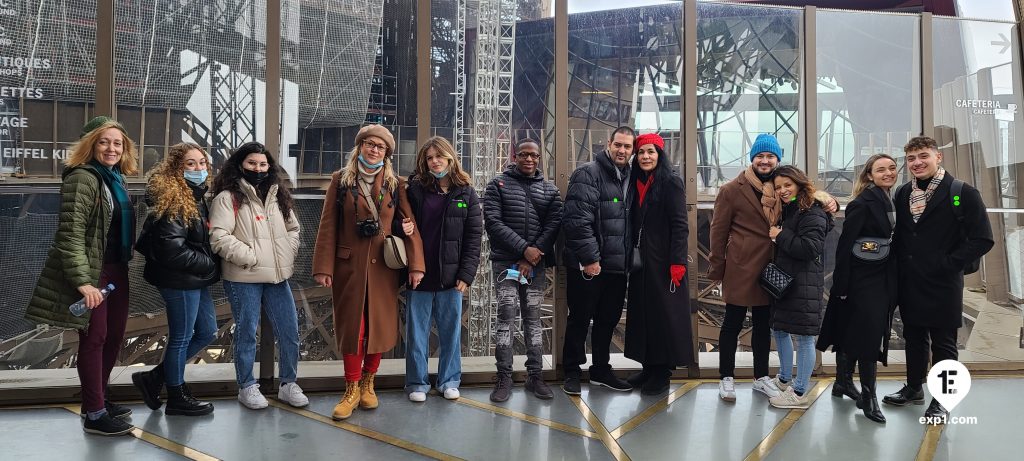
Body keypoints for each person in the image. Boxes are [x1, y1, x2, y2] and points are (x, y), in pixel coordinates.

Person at [25, 116, 138, 435]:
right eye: (104, 142)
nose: (111, 148)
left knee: (115, 335)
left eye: (117, 143)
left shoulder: (115, 178)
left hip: (116, 268)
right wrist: (83, 282)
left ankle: (97, 400)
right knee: (95, 337)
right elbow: (70, 234)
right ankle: (94, 413)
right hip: (93, 270)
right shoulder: (83, 178)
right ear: (90, 145)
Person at [709, 133, 837, 403]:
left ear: (777, 159)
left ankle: (760, 377)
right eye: (760, 156)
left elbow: (809, 204)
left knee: (763, 325)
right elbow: (717, 233)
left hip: (773, 270)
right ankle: (726, 378)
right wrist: (717, 270)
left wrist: (828, 202)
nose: (765, 161)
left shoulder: (780, 189)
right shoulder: (732, 189)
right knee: (731, 323)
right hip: (740, 267)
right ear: (752, 159)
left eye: (770, 156)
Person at [312, 125, 425, 420]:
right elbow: (328, 226)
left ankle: (368, 384)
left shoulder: (394, 184)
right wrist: (323, 267)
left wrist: (416, 265)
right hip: (348, 266)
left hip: (383, 269)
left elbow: (408, 224)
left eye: (381, 147)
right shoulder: (341, 180)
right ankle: (350, 389)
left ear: (387, 153)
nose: (374, 150)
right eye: (369, 144)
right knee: (354, 329)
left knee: (378, 326)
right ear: (360, 147)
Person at [883, 136, 993, 423]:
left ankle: (943, 399)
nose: (917, 163)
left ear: (937, 157)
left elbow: (983, 238)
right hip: (911, 279)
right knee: (913, 336)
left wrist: (948, 264)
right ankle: (914, 387)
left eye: (923, 156)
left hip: (944, 281)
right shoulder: (904, 192)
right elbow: (904, 236)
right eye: (911, 158)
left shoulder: (962, 192)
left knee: (944, 341)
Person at [209, 141, 308, 410]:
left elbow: (294, 230)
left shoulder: (278, 196)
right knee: (246, 332)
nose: (258, 168)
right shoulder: (228, 198)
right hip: (244, 278)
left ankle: (288, 383)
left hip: (278, 277)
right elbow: (219, 236)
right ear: (240, 165)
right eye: (252, 163)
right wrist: (251, 258)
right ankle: (247, 386)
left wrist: (286, 253)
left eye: (263, 164)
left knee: (289, 330)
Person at [131, 143, 219, 416]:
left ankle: (155, 378)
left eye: (202, 163)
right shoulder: (172, 199)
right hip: (179, 279)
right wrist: (209, 263)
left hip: (193, 278)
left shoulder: (193, 195)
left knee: (207, 331)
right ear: (176, 168)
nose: (198, 169)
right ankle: (177, 396)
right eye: (190, 164)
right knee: (181, 338)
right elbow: (172, 249)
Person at [817, 154, 899, 423]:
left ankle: (842, 381)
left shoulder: (890, 199)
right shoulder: (862, 203)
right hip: (863, 280)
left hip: (881, 276)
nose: (888, 173)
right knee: (868, 336)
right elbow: (845, 246)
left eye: (892, 168)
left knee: (855, 331)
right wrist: (841, 286)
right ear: (869, 176)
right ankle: (869, 396)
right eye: (881, 170)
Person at [483, 138, 563, 402]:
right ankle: (504, 377)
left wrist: (531, 257)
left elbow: (554, 224)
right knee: (505, 317)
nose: (529, 159)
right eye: (524, 155)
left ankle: (535, 376)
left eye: (534, 156)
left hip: (534, 265)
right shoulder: (498, 185)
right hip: (506, 263)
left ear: (540, 158)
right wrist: (524, 250)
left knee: (533, 319)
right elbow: (493, 222)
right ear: (514, 156)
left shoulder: (550, 191)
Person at [403, 136, 483, 402]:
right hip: (420, 274)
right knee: (417, 334)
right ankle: (417, 382)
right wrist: (401, 229)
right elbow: (398, 224)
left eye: (439, 156)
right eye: (429, 158)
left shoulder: (466, 192)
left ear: (450, 158)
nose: (435, 161)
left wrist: (466, 275)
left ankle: (449, 380)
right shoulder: (415, 189)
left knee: (451, 332)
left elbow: (474, 237)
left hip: (451, 278)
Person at [561, 126, 636, 395]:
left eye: (628, 147)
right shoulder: (587, 173)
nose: (622, 150)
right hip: (590, 267)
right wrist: (590, 259)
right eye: (618, 145)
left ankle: (601, 370)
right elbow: (577, 220)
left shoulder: (631, 176)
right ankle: (571, 371)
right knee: (580, 318)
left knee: (608, 319)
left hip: (617, 266)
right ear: (609, 143)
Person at [624, 133, 693, 395]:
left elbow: (680, 224)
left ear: (660, 155)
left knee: (664, 316)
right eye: (641, 153)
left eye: (651, 152)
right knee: (644, 314)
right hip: (642, 262)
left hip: (664, 262)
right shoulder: (635, 182)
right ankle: (649, 366)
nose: (645, 157)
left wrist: (677, 262)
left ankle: (662, 373)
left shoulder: (670, 182)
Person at [764, 165, 830, 410]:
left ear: (800, 183)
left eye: (787, 185)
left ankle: (800, 391)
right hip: (787, 282)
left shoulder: (812, 210)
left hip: (803, 284)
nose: (782, 190)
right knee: (779, 330)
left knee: (804, 338)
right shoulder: (793, 208)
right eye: (778, 187)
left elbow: (810, 248)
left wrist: (779, 235)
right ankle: (784, 379)